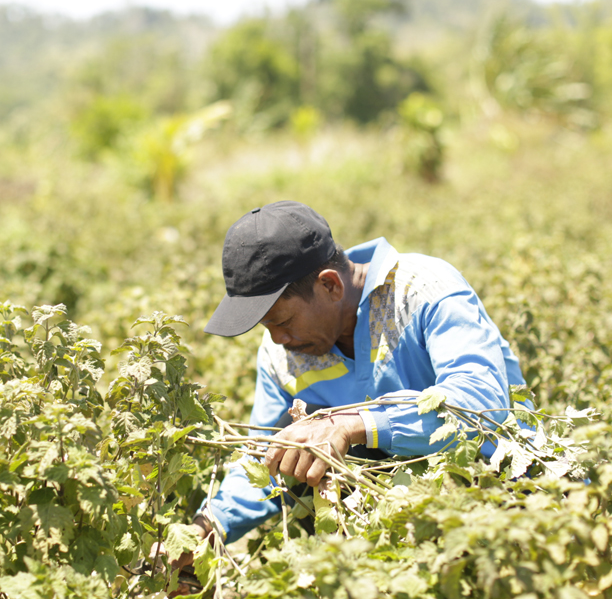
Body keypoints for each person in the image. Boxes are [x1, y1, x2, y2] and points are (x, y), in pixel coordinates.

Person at [189, 200, 526, 547]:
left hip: (506, 495)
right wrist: (203, 529)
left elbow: (483, 406)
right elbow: (265, 455)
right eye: (266, 326)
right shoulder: (281, 354)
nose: (278, 339)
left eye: (283, 321)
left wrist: (350, 425)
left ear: (330, 285)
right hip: (393, 531)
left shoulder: (423, 290)